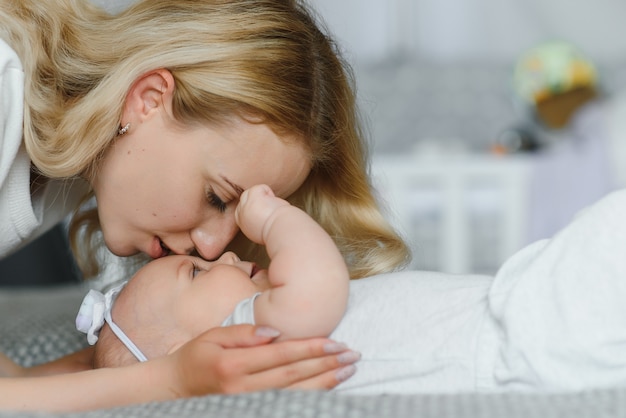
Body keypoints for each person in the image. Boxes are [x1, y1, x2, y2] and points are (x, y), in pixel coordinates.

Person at [0, 0, 409, 411]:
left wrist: (119, 363)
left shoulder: (72, 168)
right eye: (217, 196)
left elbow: (13, 383)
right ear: (149, 99)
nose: (213, 248)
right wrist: (170, 381)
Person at [90, 183, 626, 395]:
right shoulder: (245, 340)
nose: (224, 254)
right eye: (197, 273)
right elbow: (320, 284)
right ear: (189, 349)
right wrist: (272, 217)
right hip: (521, 330)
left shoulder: (261, 339)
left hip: (521, 323)